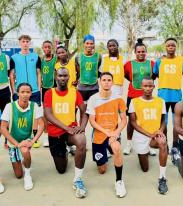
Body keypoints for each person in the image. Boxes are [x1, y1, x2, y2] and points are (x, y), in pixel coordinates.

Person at [44, 67, 88, 198]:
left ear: (69, 78)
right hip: (55, 132)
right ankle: (66, 151)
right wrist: (65, 127)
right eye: (60, 76)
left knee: (82, 140)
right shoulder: (49, 93)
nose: (62, 78)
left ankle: (78, 179)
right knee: (61, 169)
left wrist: (82, 126)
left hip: (71, 131)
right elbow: (48, 114)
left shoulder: (75, 92)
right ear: (55, 77)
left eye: (65, 76)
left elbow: (84, 111)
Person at [86, 72, 127, 198]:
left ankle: (119, 182)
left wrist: (116, 132)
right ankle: (106, 153)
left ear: (113, 83)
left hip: (113, 133)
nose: (106, 82)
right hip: (99, 134)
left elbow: (124, 119)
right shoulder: (93, 99)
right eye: (104, 80)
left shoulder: (118, 98)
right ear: (99, 82)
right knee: (102, 170)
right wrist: (106, 132)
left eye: (109, 80)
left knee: (116, 148)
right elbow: (92, 121)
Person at [129, 77, 169, 195]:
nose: (148, 88)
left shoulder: (160, 101)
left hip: (155, 135)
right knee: (145, 169)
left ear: (154, 87)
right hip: (141, 135)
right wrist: (149, 134)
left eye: (150, 86)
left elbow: (163, 121)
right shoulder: (134, 101)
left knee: (162, 143)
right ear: (141, 87)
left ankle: (162, 178)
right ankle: (144, 152)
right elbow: (133, 122)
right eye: (145, 86)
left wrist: (160, 132)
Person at [1, 83, 44, 191]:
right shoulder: (9, 107)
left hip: (26, 139)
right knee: (18, 174)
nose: (25, 94)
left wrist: (33, 141)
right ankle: (22, 159)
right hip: (13, 141)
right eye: (22, 92)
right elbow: (3, 128)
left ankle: (28, 174)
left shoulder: (34, 106)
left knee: (25, 151)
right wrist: (16, 144)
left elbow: (42, 125)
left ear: (31, 93)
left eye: (28, 92)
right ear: (17, 93)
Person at [152, 37, 183, 163]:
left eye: (173, 45)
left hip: (176, 95)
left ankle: (175, 145)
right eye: (169, 45)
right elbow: (153, 76)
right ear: (165, 47)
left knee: (176, 122)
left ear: (176, 47)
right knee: (164, 122)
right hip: (162, 95)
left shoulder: (182, 60)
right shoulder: (159, 61)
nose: (171, 47)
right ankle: (165, 143)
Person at [123, 38, 155, 155]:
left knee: (147, 120)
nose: (141, 54)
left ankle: (149, 144)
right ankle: (129, 144)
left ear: (146, 52)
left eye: (143, 51)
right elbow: (127, 76)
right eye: (138, 52)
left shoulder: (151, 64)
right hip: (132, 95)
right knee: (131, 121)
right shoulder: (128, 64)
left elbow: (153, 78)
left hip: (147, 97)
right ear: (135, 52)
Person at [10, 34, 41, 148]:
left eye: (27, 41)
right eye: (23, 41)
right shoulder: (14, 58)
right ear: (20, 43)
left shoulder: (36, 57)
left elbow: (38, 73)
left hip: (34, 90)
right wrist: (14, 90)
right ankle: (19, 136)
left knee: (34, 115)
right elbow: (12, 75)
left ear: (30, 43)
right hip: (20, 91)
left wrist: (38, 89)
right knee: (19, 114)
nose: (25, 43)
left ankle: (34, 138)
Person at [55, 43, 78, 155]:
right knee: (62, 118)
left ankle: (72, 143)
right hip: (61, 96)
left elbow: (79, 72)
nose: (61, 54)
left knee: (72, 118)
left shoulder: (73, 62)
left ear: (67, 52)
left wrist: (77, 80)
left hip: (72, 93)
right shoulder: (56, 65)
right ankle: (64, 143)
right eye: (59, 53)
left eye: (63, 52)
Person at [75, 34, 102, 104]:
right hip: (81, 88)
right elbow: (77, 71)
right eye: (87, 43)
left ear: (94, 44)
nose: (89, 45)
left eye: (91, 43)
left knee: (93, 111)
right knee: (83, 110)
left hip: (94, 88)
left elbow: (98, 70)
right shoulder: (78, 57)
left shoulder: (98, 57)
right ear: (84, 44)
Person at [41, 40, 57, 147]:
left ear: (52, 48)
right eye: (45, 47)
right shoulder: (40, 59)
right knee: (46, 114)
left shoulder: (56, 58)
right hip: (44, 89)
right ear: (42, 48)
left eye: (49, 47)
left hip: (54, 88)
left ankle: (57, 135)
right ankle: (47, 136)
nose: (47, 49)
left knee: (55, 112)